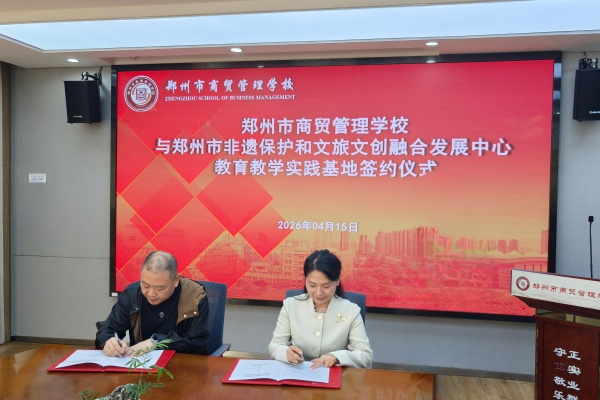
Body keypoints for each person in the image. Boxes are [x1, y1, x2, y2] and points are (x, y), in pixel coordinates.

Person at [268, 249, 373, 369]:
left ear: (337, 281)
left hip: (335, 374)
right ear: (305, 280)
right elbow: (275, 345)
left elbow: (365, 355)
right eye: (312, 285)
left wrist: (337, 357)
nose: (318, 293)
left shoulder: (351, 311)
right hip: (298, 373)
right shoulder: (290, 305)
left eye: (326, 286)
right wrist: (285, 353)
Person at [95, 250, 210, 356]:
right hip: (141, 364)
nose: (151, 293)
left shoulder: (194, 296)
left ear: (176, 280)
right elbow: (108, 328)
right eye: (145, 285)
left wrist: (156, 342)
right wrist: (108, 341)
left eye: (160, 288)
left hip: (181, 364)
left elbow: (196, 343)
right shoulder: (132, 294)